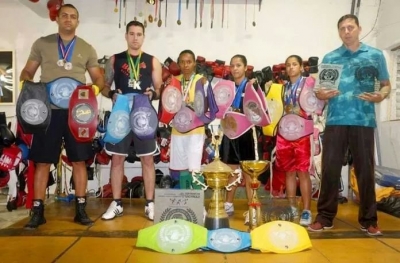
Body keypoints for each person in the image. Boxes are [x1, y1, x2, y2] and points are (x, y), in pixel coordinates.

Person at [19, 4, 104, 229]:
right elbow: (28, 70)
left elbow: (99, 78)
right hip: (48, 113)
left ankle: (81, 209)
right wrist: (26, 82)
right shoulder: (42, 43)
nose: (68, 20)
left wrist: (95, 90)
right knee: (42, 161)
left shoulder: (86, 47)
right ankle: (37, 212)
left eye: (73, 17)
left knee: (79, 161)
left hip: (79, 114)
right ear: (57, 18)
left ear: (78, 21)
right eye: (64, 16)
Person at [308, 14, 391, 236]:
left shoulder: (374, 55)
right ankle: (324, 217)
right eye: (342, 28)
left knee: (365, 171)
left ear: (358, 29)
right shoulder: (331, 56)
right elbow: (320, 90)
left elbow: (385, 86)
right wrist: (322, 93)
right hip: (335, 120)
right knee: (330, 170)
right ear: (339, 32)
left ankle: (369, 220)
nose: (347, 31)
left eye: (350, 27)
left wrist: (380, 96)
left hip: (363, 121)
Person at [101, 20, 162, 221]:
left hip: (143, 110)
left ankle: (150, 204)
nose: (135, 38)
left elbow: (160, 89)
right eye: (132, 34)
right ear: (126, 36)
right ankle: (116, 203)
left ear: (143, 37)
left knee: (147, 159)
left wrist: (153, 94)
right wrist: (111, 93)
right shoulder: (114, 60)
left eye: (139, 34)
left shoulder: (153, 60)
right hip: (121, 111)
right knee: (117, 158)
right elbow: (103, 86)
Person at [275, 55, 313, 226]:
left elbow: (316, 105)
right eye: (288, 65)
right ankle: (292, 208)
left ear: (301, 67)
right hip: (285, 134)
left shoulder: (309, 84)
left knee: (303, 172)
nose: (291, 68)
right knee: (289, 172)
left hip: (303, 133)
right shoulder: (282, 88)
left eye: (294, 64)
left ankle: (306, 210)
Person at [220, 54, 258, 224]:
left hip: (246, 133)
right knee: (231, 170)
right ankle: (228, 204)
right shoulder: (225, 88)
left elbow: (259, 110)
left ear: (245, 67)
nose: (235, 68)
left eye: (238, 65)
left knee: (248, 172)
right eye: (232, 65)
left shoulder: (251, 86)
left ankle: (253, 207)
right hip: (229, 133)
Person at [169, 50, 206, 187]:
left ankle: (197, 204)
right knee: (179, 167)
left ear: (194, 63)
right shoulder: (174, 81)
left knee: (194, 166)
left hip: (195, 130)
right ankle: (182, 201)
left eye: (189, 62)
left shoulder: (201, 80)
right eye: (183, 62)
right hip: (178, 130)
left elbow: (206, 105)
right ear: (179, 63)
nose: (185, 65)